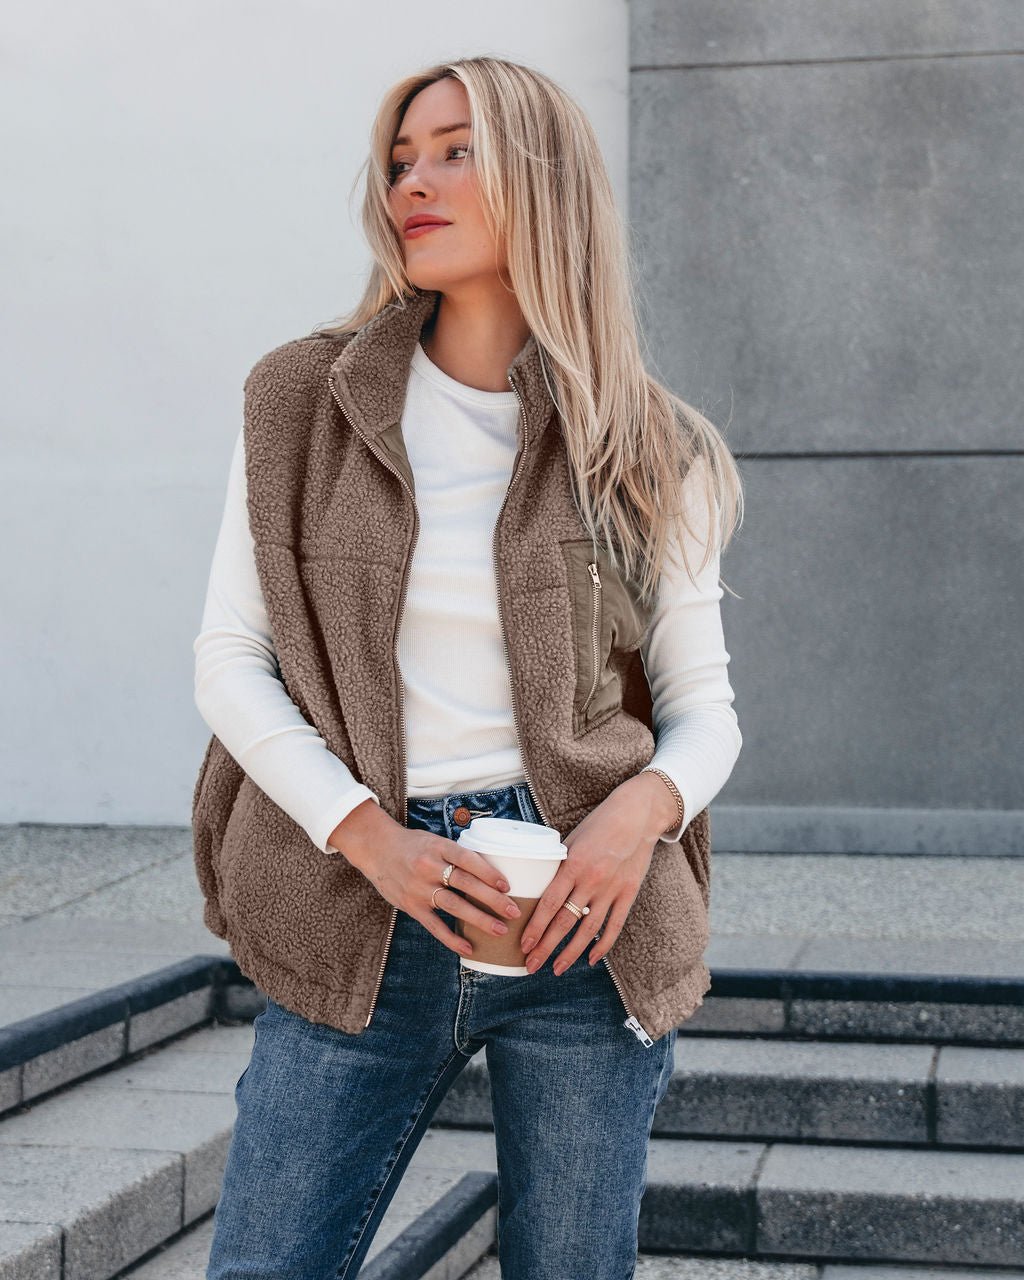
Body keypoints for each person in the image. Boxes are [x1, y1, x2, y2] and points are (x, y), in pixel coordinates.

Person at [193, 55, 743, 1280]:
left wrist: (632, 820)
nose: (412, 185)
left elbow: (706, 713)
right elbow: (230, 661)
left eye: (454, 152)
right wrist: (369, 837)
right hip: (361, 899)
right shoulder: (300, 398)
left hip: (580, 922)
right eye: (399, 160)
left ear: (543, 181)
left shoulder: (646, 443)